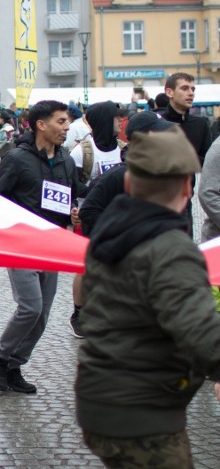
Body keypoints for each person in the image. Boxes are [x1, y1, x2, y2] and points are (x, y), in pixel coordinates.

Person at [76, 127, 220, 468]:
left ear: (128, 184)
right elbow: (200, 333)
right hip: (143, 413)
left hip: (102, 399)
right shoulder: (170, 250)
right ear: (188, 187)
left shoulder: (112, 235)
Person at [0, 100, 85, 394]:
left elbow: (71, 196)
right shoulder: (16, 159)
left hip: (51, 244)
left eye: (67, 122)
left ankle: (15, 365)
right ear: (42, 125)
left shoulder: (65, 159)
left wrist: (74, 212)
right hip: (21, 244)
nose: (67, 128)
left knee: (42, 316)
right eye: (61, 122)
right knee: (31, 306)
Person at [67, 101, 124, 338]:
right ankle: (79, 313)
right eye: (116, 118)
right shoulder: (83, 151)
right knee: (86, 266)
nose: (121, 122)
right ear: (104, 120)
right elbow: (70, 183)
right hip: (87, 216)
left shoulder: (123, 148)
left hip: (117, 216)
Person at [161, 72, 212, 235]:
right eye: (184, 88)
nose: (191, 92)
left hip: (185, 200)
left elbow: (207, 162)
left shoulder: (200, 124)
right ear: (169, 92)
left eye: (193, 89)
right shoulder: (156, 122)